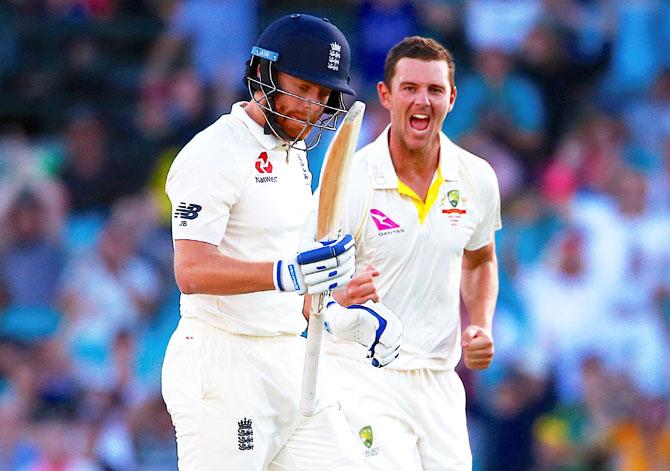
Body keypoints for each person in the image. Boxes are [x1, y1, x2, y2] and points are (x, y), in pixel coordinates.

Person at [161, 13, 401, 470]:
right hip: (224, 363)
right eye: (303, 89)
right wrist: (284, 274)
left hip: (292, 358)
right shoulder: (214, 153)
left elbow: (298, 290)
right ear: (264, 76)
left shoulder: (295, 159)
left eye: (323, 95)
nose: (312, 106)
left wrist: (345, 317)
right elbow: (190, 271)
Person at [322, 36, 501, 470]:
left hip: (439, 381)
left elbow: (479, 259)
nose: (423, 101)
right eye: (410, 88)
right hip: (365, 376)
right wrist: (340, 295)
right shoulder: (352, 177)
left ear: (452, 98)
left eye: (435, 90)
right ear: (386, 95)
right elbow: (311, 282)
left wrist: (479, 324)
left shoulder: (476, 177)